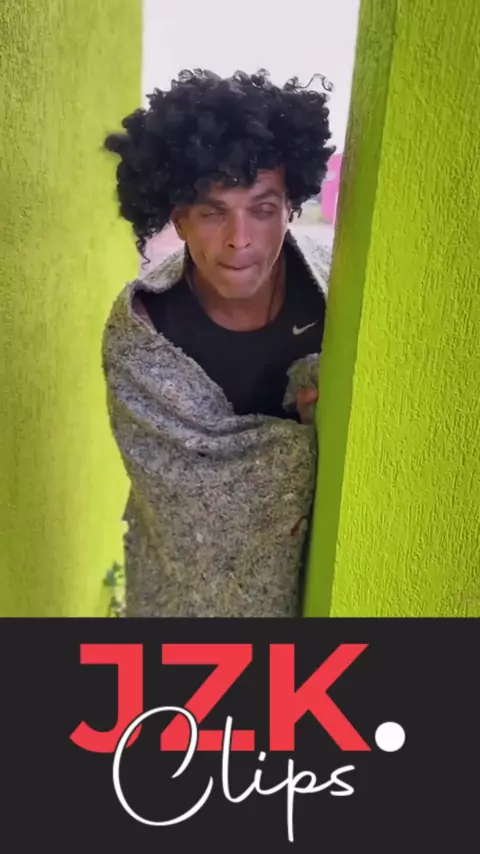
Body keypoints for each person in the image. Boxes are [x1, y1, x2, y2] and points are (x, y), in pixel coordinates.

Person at [102, 69, 334, 617]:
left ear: (290, 208)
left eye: (263, 209)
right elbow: (192, 502)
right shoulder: (143, 333)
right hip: (185, 597)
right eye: (213, 212)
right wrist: (310, 436)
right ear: (179, 219)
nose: (240, 240)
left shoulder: (333, 298)